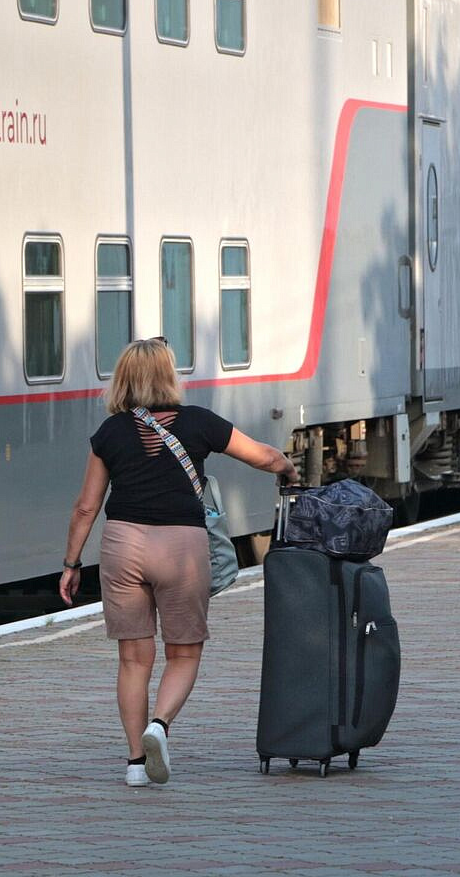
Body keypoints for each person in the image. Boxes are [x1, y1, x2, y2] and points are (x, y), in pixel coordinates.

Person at [59, 337, 298, 786]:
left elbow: (86, 508)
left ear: (123, 379)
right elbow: (263, 456)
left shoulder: (109, 432)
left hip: (123, 546)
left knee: (133, 659)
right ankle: (159, 725)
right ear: (168, 376)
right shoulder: (200, 423)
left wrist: (71, 564)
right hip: (181, 549)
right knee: (184, 652)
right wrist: (287, 467)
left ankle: (135, 764)